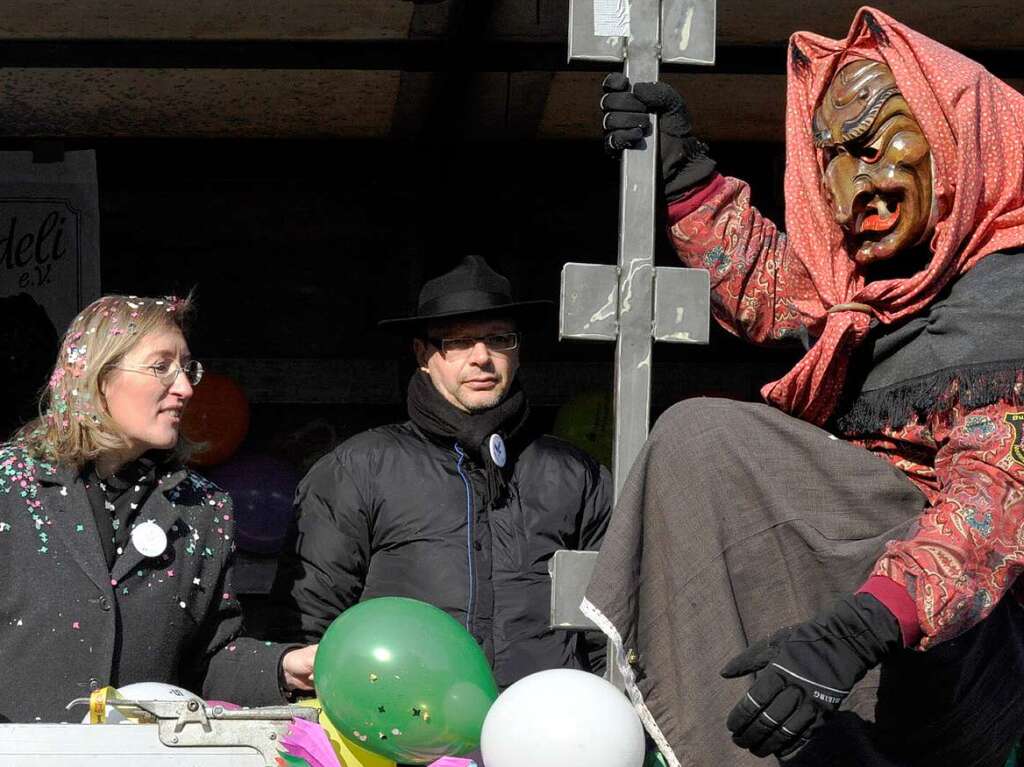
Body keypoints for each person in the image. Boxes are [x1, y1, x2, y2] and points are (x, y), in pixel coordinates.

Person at [587, 7, 1024, 767]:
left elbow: (994, 505)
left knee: (711, 440)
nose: (858, 185)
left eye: (878, 143)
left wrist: (859, 625)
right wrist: (683, 169)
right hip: (861, 642)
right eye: (834, 161)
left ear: (961, 145)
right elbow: (774, 295)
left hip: (957, 655)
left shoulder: (1011, 302)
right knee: (703, 442)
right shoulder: (883, 293)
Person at [270, 255, 612, 690]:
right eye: (458, 342)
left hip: (546, 733)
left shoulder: (576, 475)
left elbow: (612, 632)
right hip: (398, 736)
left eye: (499, 339)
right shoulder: (360, 467)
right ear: (423, 355)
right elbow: (304, 631)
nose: (482, 358)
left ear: (518, 351)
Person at [0, 293, 314, 723]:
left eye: (187, 368)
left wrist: (283, 669)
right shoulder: (9, 487)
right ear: (97, 375)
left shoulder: (204, 507)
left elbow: (206, 660)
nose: (184, 387)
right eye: (160, 366)